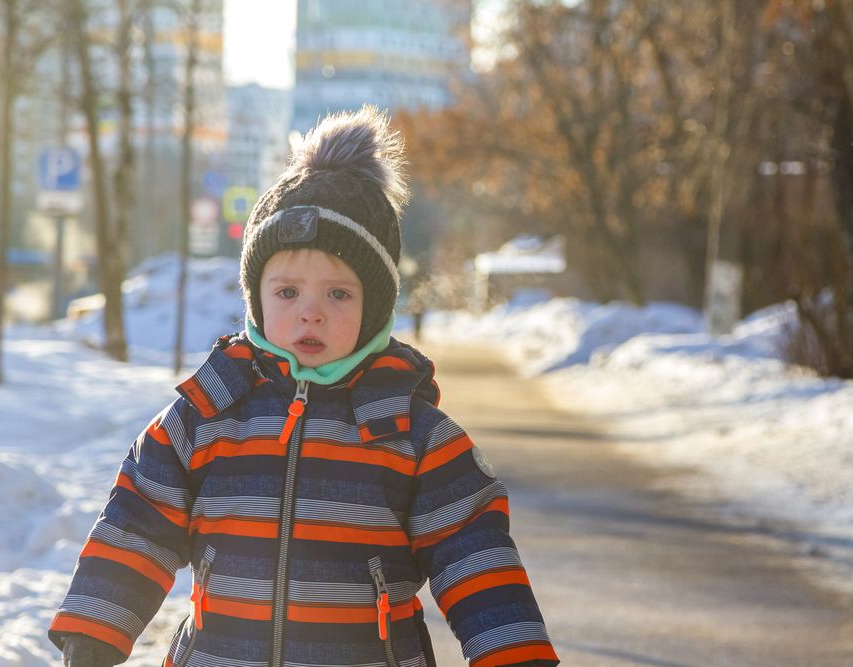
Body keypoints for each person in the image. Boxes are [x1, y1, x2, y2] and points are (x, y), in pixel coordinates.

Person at [50, 106, 559, 667]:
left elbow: (476, 552)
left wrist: (513, 652)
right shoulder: (207, 415)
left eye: (338, 294)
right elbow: (137, 522)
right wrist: (94, 634)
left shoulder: (412, 433)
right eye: (288, 293)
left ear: (375, 309)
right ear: (256, 299)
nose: (309, 314)